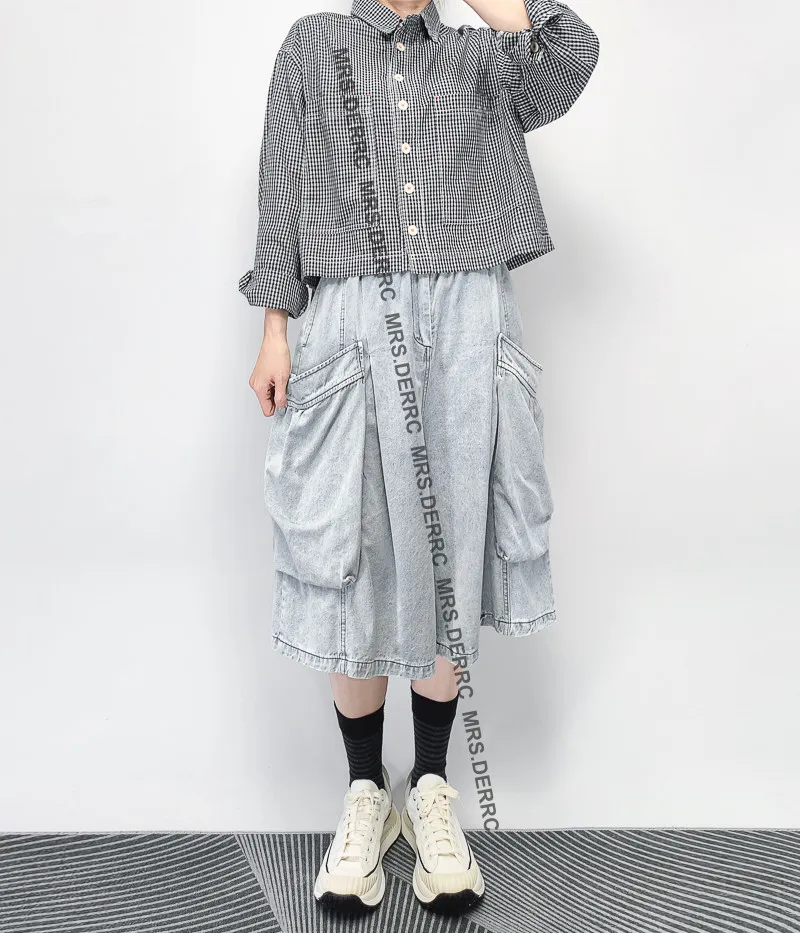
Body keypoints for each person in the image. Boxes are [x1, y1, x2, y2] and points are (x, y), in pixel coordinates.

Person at [239, 0, 599, 916]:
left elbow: (571, 53)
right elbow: (282, 182)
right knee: (351, 546)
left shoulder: (486, 59)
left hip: (468, 316)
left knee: (453, 548)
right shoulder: (315, 43)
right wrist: (276, 327)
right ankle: (366, 793)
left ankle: (431, 787)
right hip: (348, 317)